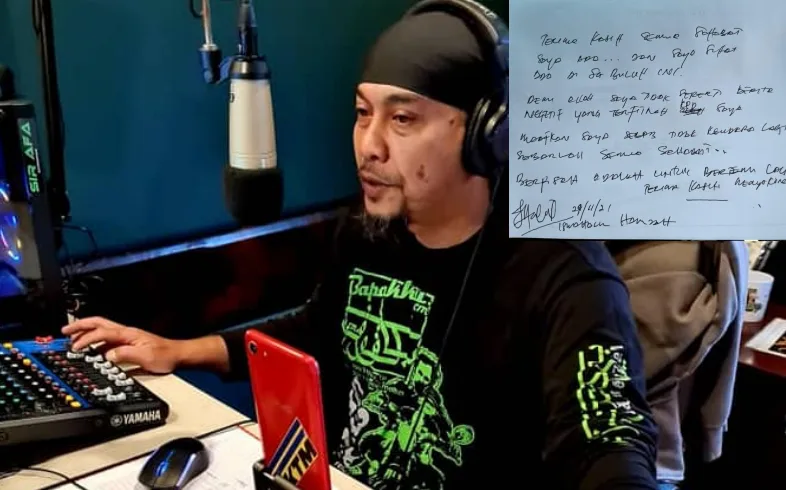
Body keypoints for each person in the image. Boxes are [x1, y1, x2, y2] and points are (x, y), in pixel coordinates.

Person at [63, 3, 659, 489]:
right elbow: (321, 328)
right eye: (361, 113)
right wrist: (179, 350)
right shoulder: (369, 231)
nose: (368, 145)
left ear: (487, 134)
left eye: (402, 120)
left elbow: (608, 443)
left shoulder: (569, 279)